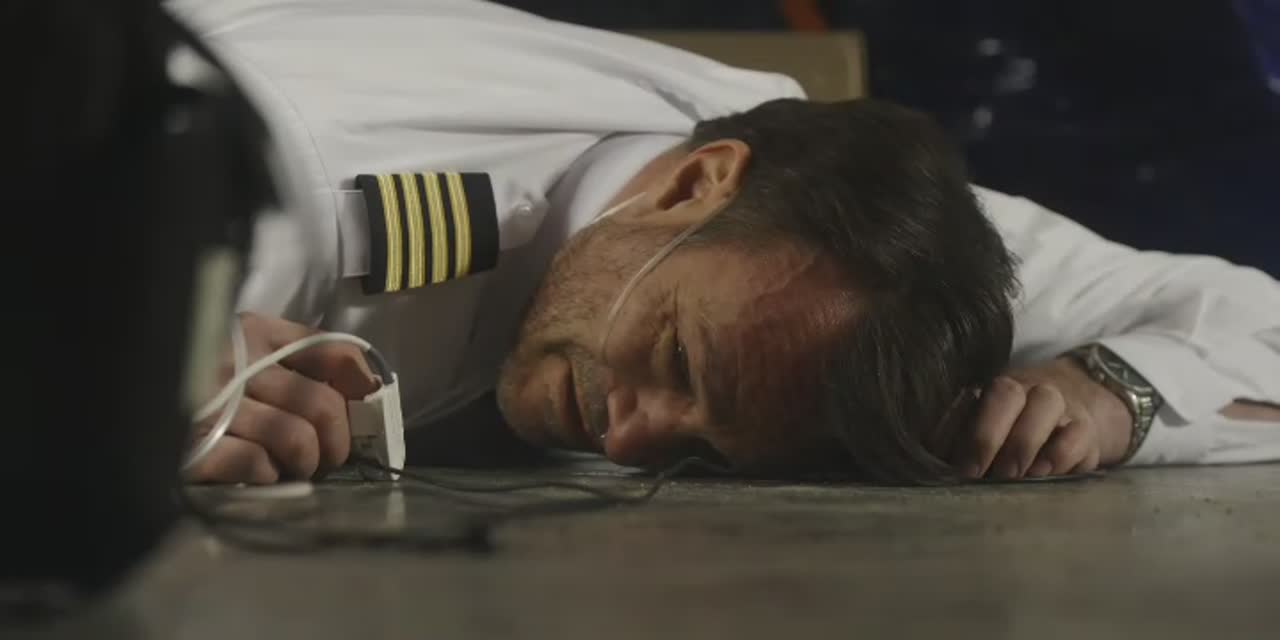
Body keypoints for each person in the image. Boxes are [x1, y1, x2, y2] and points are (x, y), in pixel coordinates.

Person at [168, 0, 1280, 486]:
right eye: (676, 359)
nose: (632, 442)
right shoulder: (294, 172)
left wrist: (1110, 393)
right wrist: (128, 376)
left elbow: (1258, 323)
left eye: (707, 446)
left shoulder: (831, 237)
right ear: (689, 186)